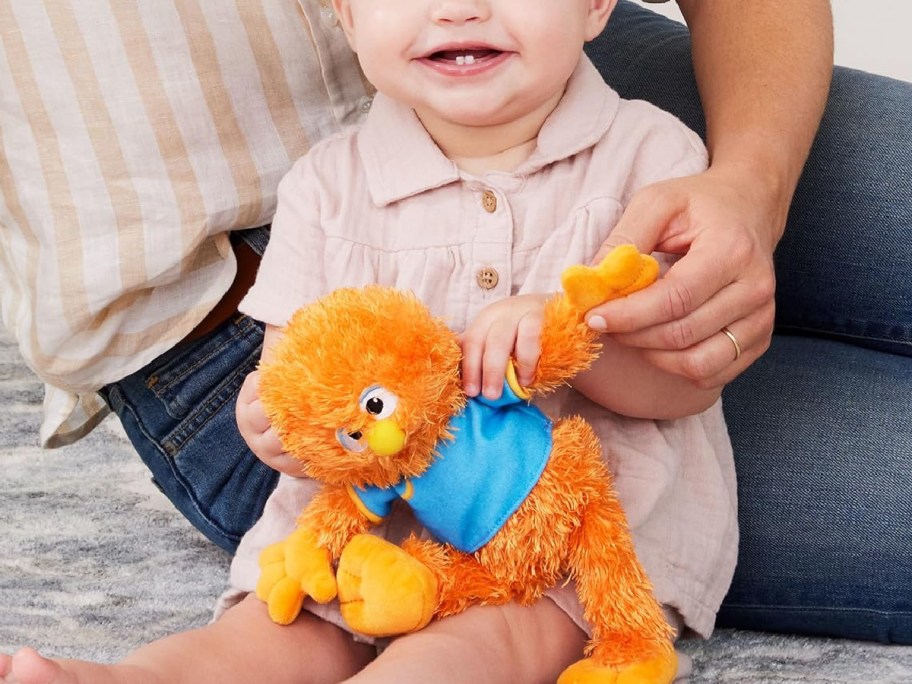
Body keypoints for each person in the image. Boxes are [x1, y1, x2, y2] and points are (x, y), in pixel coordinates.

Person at [1, 0, 909, 654]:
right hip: (379, 506)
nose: (458, 9)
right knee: (275, 628)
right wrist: (272, 424)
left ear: (598, 3)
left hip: (564, 524)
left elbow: (684, 384)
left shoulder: (653, 154)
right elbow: (295, 374)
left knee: (485, 644)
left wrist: (572, 345)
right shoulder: (325, 183)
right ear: (342, 12)